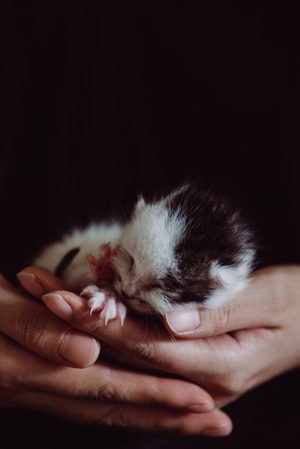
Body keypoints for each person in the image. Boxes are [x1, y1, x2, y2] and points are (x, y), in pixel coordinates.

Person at [1, 1, 299, 448]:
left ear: (216, 286)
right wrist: (93, 275)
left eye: (156, 284)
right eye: (128, 258)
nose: (128, 289)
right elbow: (67, 261)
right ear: (137, 217)